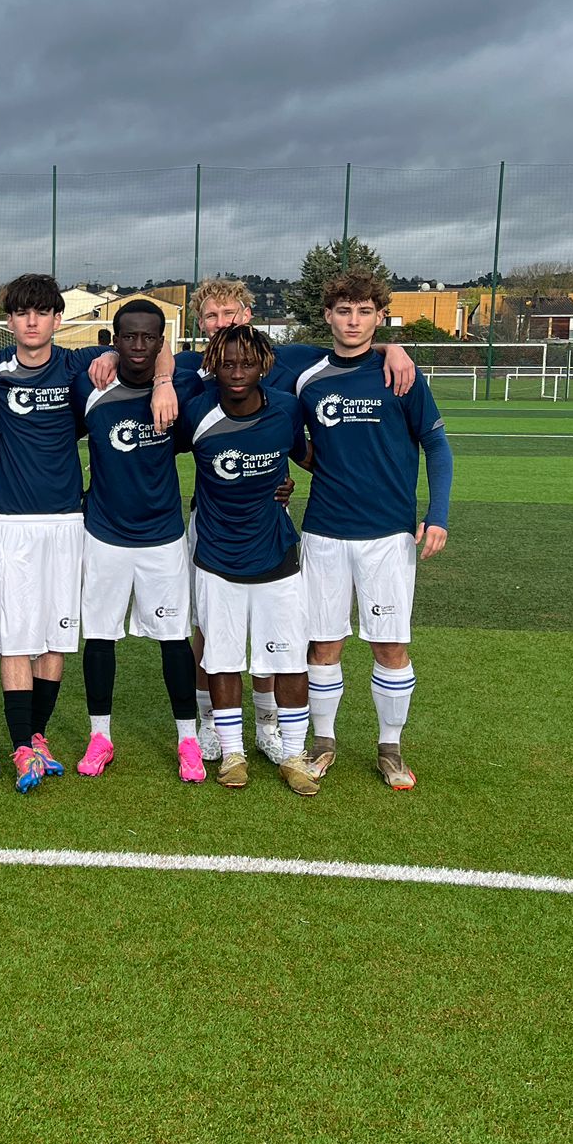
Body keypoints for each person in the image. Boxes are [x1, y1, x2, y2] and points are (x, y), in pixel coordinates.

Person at [0, 274, 175, 791]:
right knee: (16, 636)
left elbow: (154, 352)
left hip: (71, 524)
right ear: (9, 321)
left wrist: (159, 379)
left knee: (57, 636)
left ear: (56, 320)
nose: (31, 321)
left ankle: (39, 736)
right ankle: (22, 746)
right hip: (15, 524)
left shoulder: (76, 367)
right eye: (22, 313)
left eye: (42, 312)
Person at [178, 276, 416, 766]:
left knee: (272, 626)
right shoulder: (188, 369)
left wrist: (395, 346)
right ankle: (209, 726)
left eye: (231, 314)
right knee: (207, 630)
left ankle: (267, 724)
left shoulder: (290, 359)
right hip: (214, 516)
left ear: (248, 315)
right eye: (211, 317)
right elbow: (143, 362)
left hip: (270, 516)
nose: (222, 324)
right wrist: (143, 371)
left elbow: (352, 342)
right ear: (201, 325)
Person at [295, 270, 453, 790]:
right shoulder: (307, 375)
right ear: (328, 316)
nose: (353, 321)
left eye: (365, 312)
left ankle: (390, 746)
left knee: (390, 644)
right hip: (324, 532)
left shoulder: (401, 374)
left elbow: (437, 446)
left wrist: (439, 513)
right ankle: (322, 742)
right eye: (344, 311)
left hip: (388, 535)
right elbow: (270, 420)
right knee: (323, 642)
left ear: (379, 317)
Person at [180, 325, 320, 795]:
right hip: (217, 554)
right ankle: (232, 752)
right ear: (213, 365)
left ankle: (295, 753)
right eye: (227, 363)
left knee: (288, 658)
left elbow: (306, 458)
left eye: (247, 363)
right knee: (221, 657)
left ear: (264, 366)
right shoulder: (195, 409)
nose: (237, 372)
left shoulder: (286, 408)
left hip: (276, 554)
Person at [75, 300, 206, 782]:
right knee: (100, 637)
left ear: (161, 342)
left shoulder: (184, 383)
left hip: (163, 538)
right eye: (127, 337)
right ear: (113, 339)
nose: (138, 346)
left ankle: (188, 742)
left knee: (174, 641)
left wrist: (166, 379)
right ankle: (100, 736)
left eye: (149, 338)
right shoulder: (89, 384)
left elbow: (242, 376)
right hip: (104, 536)